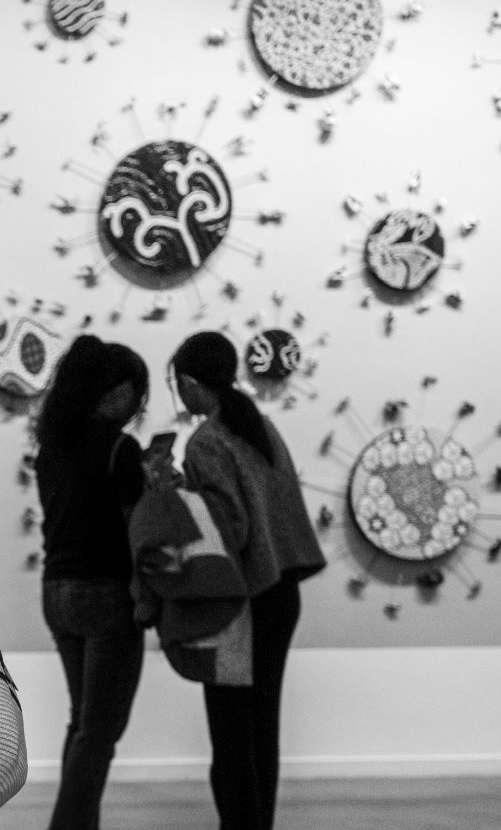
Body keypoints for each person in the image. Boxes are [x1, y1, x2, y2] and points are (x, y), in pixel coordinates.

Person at [168, 331, 326, 830]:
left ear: (189, 382)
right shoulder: (259, 424)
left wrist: (177, 499)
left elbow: (227, 527)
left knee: (232, 730)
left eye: (177, 385)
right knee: (261, 725)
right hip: (282, 591)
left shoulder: (206, 441)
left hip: (242, 599)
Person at [32, 335, 150, 830]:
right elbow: (138, 532)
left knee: (83, 720)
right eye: (138, 394)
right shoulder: (122, 449)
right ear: (119, 391)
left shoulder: (52, 448)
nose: (139, 407)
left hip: (57, 590)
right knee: (100, 729)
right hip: (106, 594)